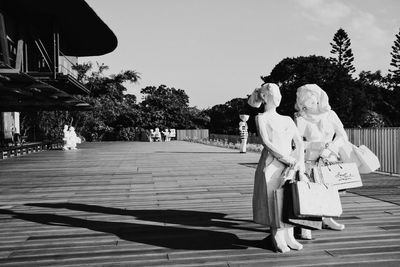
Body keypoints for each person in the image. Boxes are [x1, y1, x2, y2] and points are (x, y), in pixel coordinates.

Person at [248, 83, 306, 253]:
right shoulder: (262, 118)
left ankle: (289, 235)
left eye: (278, 93)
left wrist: (298, 162)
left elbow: (299, 142)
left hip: (291, 166)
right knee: (273, 199)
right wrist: (284, 158)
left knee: (289, 199)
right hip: (272, 164)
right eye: (273, 94)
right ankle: (277, 235)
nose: (278, 97)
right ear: (265, 97)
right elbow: (266, 142)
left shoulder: (287, 119)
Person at [294, 84, 348, 239]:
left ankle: (327, 218)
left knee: (330, 191)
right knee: (309, 192)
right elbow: (296, 142)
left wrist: (331, 146)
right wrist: (314, 145)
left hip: (329, 158)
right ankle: (307, 224)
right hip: (310, 160)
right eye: (303, 101)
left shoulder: (330, 115)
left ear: (318, 98)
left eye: (309, 99)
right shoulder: (301, 118)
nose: (306, 103)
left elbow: (342, 136)